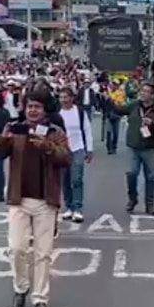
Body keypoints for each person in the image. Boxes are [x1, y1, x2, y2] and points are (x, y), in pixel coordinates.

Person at [0, 91, 72, 307]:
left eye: (37, 106)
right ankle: (20, 288)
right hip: (19, 197)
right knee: (16, 248)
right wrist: (2, 138)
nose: (33, 110)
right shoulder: (15, 129)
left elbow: (66, 158)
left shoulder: (55, 133)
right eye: (29, 106)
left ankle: (40, 298)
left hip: (46, 200)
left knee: (43, 253)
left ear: (45, 110)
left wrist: (46, 146)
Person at [112, 82, 154, 215]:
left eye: (146, 91)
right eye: (142, 91)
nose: (143, 93)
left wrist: (152, 123)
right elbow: (119, 110)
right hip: (134, 146)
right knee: (131, 174)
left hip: (150, 148)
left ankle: (150, 205)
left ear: (152, 95)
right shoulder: (134, 105)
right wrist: (109, 100)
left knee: (150, 177)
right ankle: (132, 199)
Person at [58, 87, 94, 223]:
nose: (63, 100)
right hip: (62, 150)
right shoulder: (58, 113)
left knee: (76, 179)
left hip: (78, 149)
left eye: (66, 97)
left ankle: (78, 208)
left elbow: (87, 130)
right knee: (65, 179)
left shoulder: (79, 112)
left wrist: (89, 149)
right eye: (61, 97)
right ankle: (69, 207)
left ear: (72, 98)